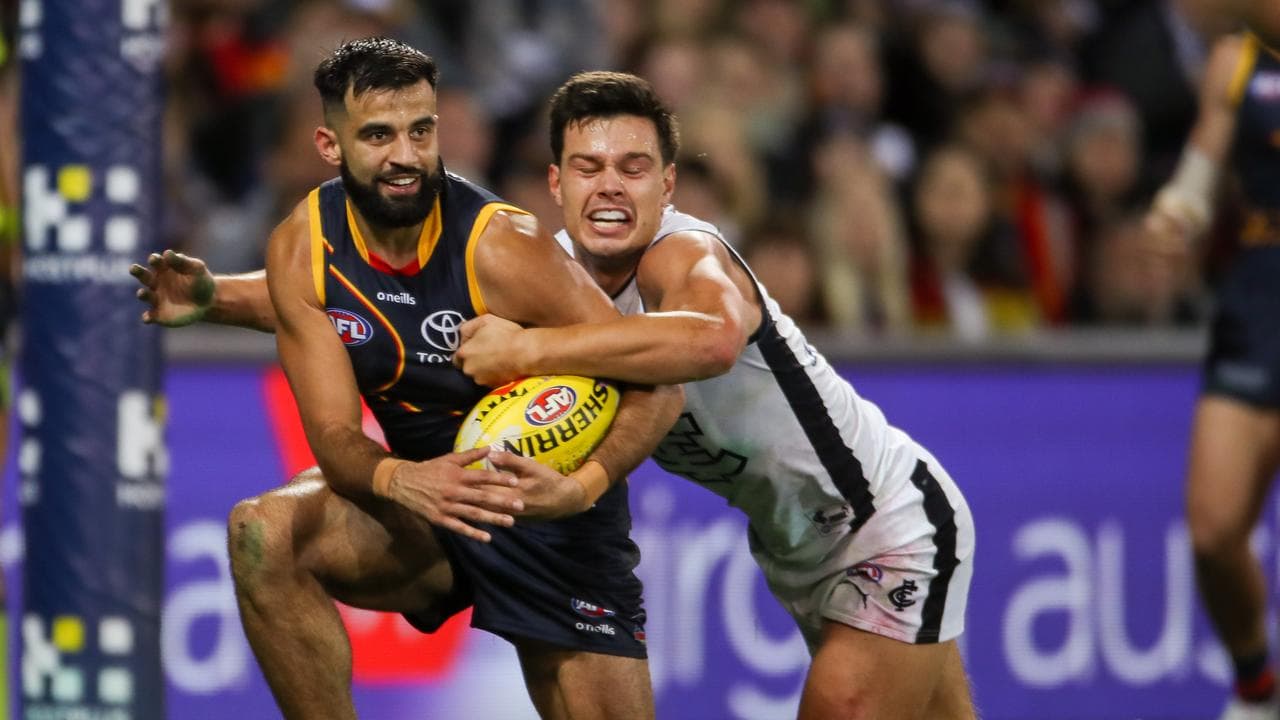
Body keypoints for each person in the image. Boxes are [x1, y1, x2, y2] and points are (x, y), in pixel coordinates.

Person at [136, 71, 976, 718]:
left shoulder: (688, 258)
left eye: (635, 168)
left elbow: (710, 342)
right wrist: (219, 297)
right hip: (795, 541)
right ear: (557, 183)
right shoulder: (543, 266)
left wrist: (533, 348)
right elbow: (341, 298)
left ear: (670, 185)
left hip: (883, 523)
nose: (611, 186)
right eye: (589, 168)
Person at [135, 38, 683, 720]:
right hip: (423, 508)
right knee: (263, 532)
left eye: (421, 131)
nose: (406, 156)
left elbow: (659, 383)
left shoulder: (503, 247)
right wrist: (406, 480)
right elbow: (334, 436)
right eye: (378, 135)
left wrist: (578, 489)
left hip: (550, 522)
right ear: (329, 146)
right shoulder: (302, 249)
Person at [1144, 31, 1280, 720]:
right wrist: (1179, 211)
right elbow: (1200, 174)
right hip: (1259, 297)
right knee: (1214, 529)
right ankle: (1259, 687)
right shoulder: (1238, 61)